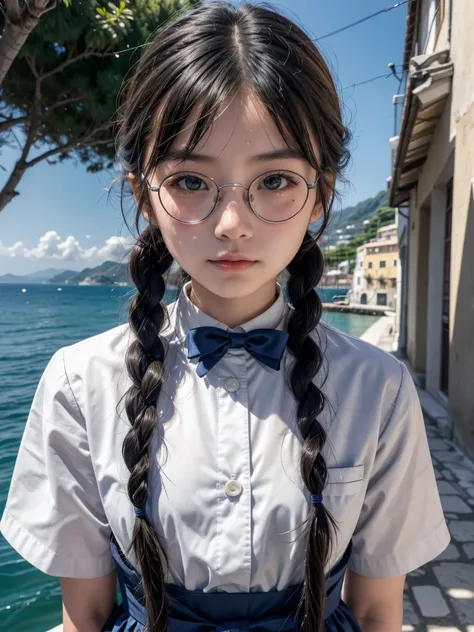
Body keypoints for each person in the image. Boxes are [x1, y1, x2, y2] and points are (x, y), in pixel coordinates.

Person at [0, 3, 450, 631]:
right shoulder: (79, 384)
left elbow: (378, 612)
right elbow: (88, 616)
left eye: (274, 180)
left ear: (320, 195)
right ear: (143, 195)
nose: (231, 225)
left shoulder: (378, 387)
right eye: (189, 180)